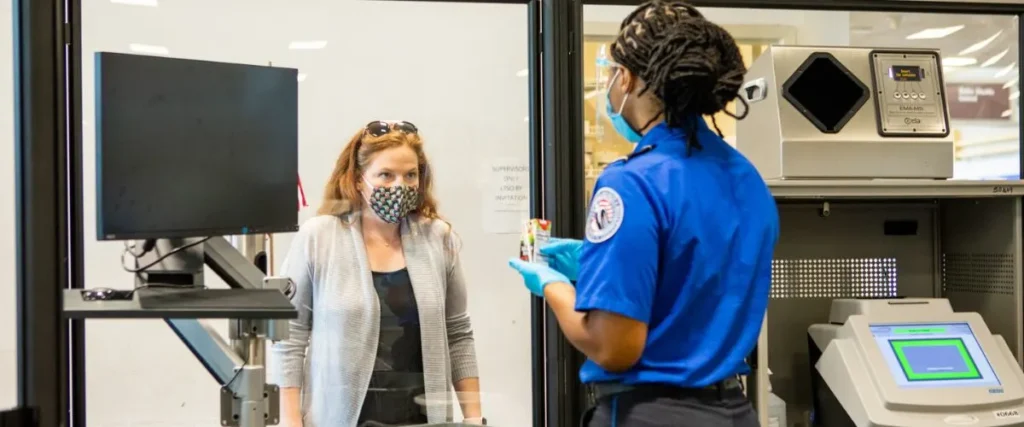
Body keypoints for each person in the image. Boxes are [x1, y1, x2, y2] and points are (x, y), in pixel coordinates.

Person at [507, 2, 779, 426]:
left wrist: (554, 287)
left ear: (628, 78)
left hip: (651, 414)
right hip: (734, 412)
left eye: (612, 70)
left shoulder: (631, 183)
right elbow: (692, 273)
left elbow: (614, 347)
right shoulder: (746, 177)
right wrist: (598, 263)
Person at [270, 121, 485, 427]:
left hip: (423, 417)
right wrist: (291, 421)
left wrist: (474, 418)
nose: (400, 185)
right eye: (386, 175)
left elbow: (459, 335)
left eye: (410, 175)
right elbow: (289, 338)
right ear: (359, 180)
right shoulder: (319, 238)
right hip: (339, 418)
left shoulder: (438, 238)